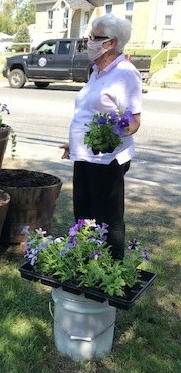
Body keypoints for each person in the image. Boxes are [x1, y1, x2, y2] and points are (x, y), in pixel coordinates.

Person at [60, 14, 142, 259]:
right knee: (83, 216)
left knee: (108, 220)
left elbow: (134, 122)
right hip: (85, 157)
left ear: (111, 43)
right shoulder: (97, 71)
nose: (89, 42)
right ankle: (86, 265)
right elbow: (90, 113)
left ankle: (111, 268)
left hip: (107, 160)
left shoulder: (125, 74)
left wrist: (105, 138)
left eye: (95, 37)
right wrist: (75, 144)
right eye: (89, 36)